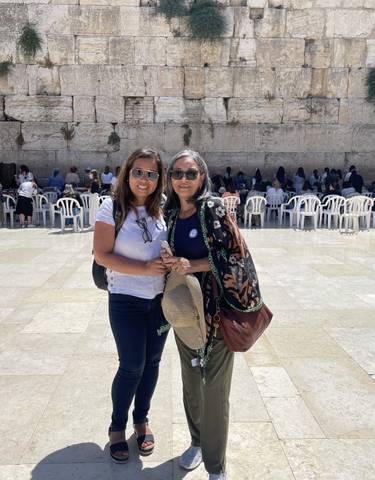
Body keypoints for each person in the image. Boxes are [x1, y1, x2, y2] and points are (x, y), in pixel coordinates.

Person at [161, 150, 263, 480]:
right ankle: (196, 441)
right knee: (191, 382)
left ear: (202, 177)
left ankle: (215, 465)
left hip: (216, 313)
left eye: (191, 173)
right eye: (177, 173)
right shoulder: (172, 212)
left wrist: (195, 265)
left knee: (214, 390)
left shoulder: (213, 209)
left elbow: (237, 256)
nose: (183, 179)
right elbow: (176, 259)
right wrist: (169, 257)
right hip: (184, 312)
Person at [93, 147, 169, 464]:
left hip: (159, 301)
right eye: (138, 171)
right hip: (125, 298)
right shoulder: (110, 208)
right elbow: (102, 254)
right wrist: (145, 269)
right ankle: (116, 427)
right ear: (127, 172)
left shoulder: (163, 208)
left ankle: (141, 421)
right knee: (131, 365)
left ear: (158, 179)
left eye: (151, 174)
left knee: (152, 363)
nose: (144, 179)